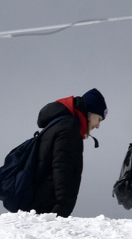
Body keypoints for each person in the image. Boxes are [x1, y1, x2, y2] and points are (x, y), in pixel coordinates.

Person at [30, 89, 107, 218]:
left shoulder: (60, 123)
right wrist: (63, 204)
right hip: (48, 203)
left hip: (39, 196)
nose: (98, 126)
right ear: (90, 112)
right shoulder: (70, 127)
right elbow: (62, 165)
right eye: (99, 119)